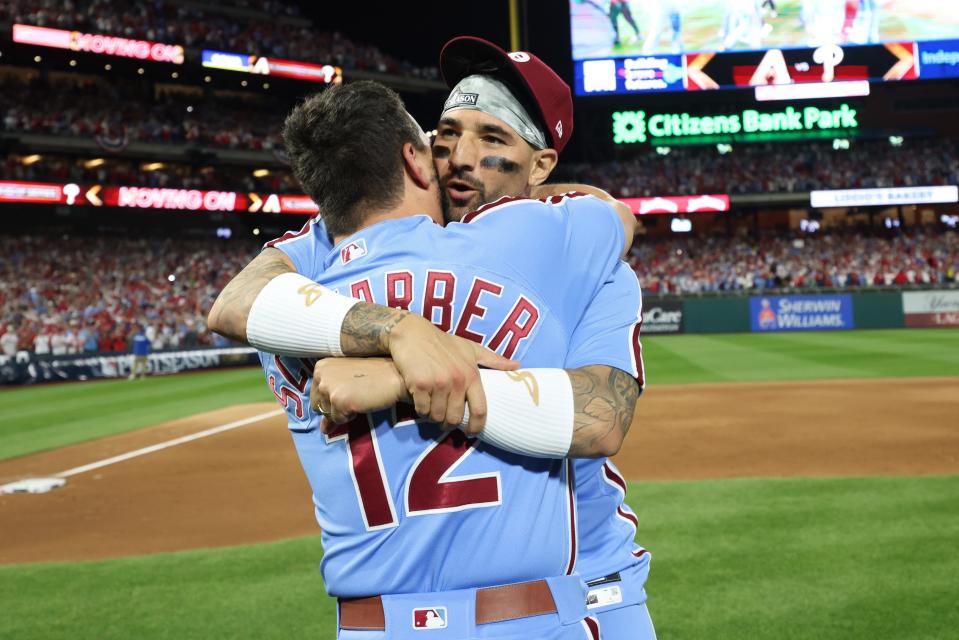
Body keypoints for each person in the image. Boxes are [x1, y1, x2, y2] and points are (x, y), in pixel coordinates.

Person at [210, 37, 656, 640]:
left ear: (543, 164)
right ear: (419, 155)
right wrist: (401, 332)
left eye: (492, 139)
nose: (459, 158)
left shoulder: (318, 265)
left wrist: (397, 375)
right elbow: (234, 301)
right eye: (445, 135)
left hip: (581, 594)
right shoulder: (575, 235)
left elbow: (599, 420)